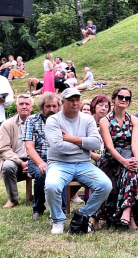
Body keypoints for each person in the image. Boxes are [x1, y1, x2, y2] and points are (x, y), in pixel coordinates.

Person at [45, 88, 112, 234]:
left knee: (105, 185)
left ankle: (82, 214)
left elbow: (95, 143)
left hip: (84, 164)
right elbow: (58, 146)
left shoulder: (87, 119)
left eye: (77, 100)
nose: (75, 103)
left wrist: (71, 139)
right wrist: (84, 146)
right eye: (71, 100)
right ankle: (57, 220)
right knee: (51, 186)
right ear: (63, 103)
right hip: (58, 163)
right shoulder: (53, 120)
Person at [94, 87, 138, 229]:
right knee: (133, 173)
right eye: (121, 97)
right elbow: (109, 146)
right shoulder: (105, 121)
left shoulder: (134, 120)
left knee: (133, 171)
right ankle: (129, 215)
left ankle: (127, 211)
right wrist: (124, 161)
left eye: (127, 98)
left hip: (130, 157)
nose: (124, 100)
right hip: (111, 160)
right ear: (114, 99)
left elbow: (135, 142)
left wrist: (136, 158)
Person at [23, 93, 66, 220]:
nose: (51, 109)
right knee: (41, 174)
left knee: (60, 174)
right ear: (42, 107)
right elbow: (29, 147)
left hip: (58, 159)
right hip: (37, 159)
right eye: (48, 106)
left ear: (58, 107)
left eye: (54, 106)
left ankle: (60, 209)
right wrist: (41, 163)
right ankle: (38, 208)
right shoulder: (32, 120)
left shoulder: (63, 121)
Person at [0, 94, 33, 208]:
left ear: (32, 107)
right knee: (7, 166)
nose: (24, 106)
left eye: (27, 104)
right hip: (14, 159)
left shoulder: (38, 123)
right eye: (21, 104)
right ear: (17, 106)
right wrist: (20, 162)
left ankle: (42, 197)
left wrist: (35, 160)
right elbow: (3, 148)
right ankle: (13, 199)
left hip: (34, 159)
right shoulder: (7, 124)